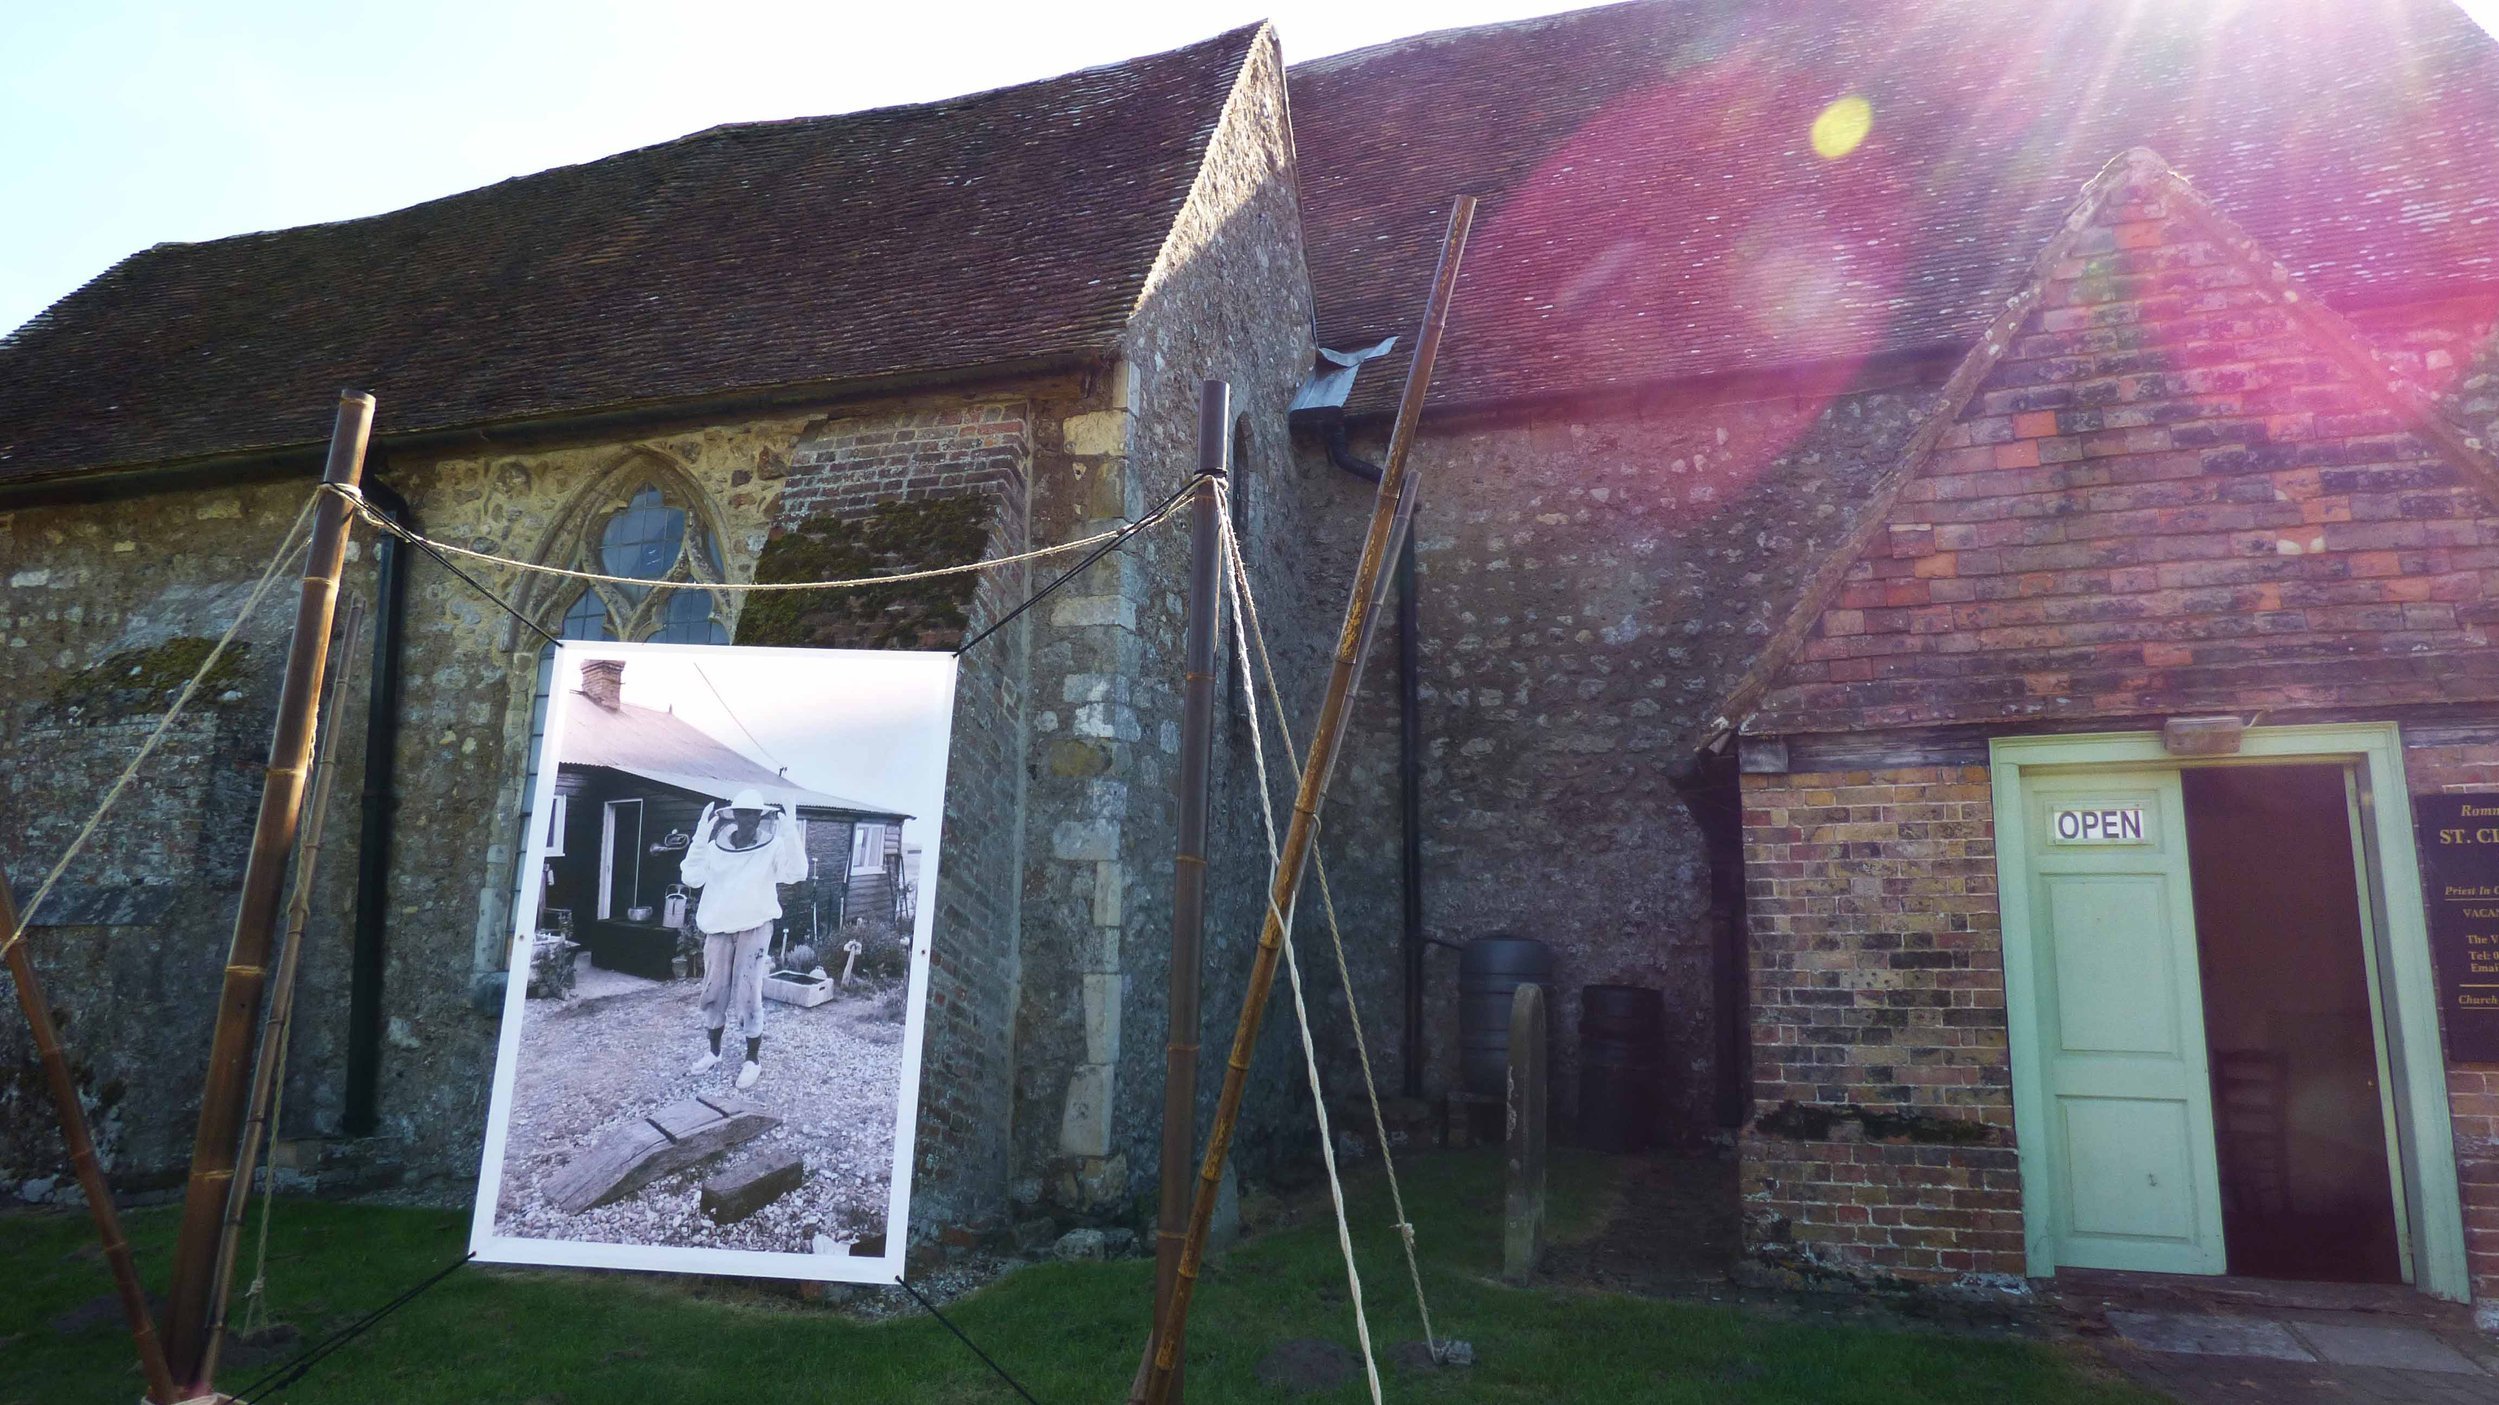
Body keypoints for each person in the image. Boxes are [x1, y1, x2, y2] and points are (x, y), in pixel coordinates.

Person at [677, 787, 807, 1090]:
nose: (747, 820)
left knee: (748, 991)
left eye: (753, 815)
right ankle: (713, 1052)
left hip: (755, 927)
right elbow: (691, 878)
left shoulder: (773, 846)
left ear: (760, 818)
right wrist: (699, 837)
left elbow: (797, 872)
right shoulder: (715, 848)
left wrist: (790, 827)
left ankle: (752, 1060)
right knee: (713, 990)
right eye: (742, 813)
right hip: (719, 929)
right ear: (733, 816)